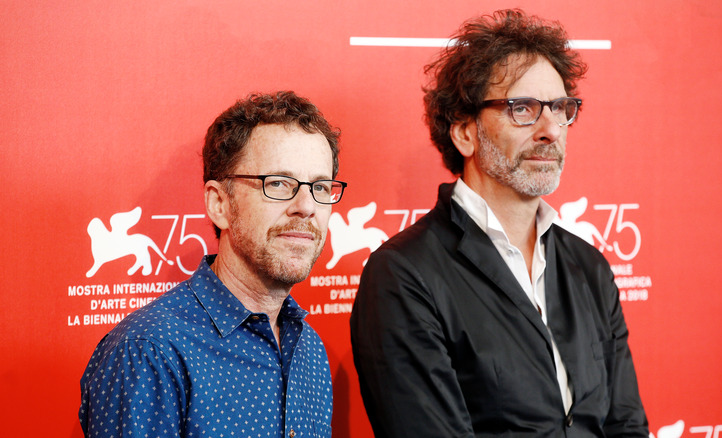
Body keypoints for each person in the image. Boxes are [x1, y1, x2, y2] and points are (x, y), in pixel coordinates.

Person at [350, 9, 648, 437]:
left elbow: (626, 426)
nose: (551, 129)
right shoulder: (403, 274)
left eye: (561, 108)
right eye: (522, 108)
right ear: (465, 132)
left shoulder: (590, 267)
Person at [80, 91, 345, 437]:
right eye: (279, 183)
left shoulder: (308, 348)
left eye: (321, 187)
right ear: (219, 204)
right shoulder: (150, 352)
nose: (307, 206)